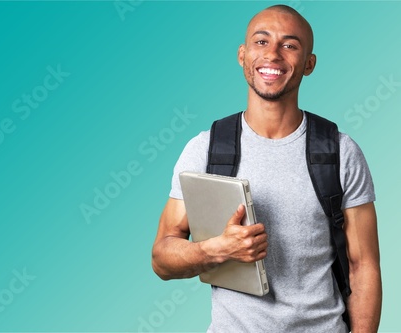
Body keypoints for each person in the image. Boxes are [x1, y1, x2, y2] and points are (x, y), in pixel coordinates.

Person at [151, 4, 382, 333]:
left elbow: (365, 266)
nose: (272, 54)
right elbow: (162, 258)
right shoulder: (205, 148)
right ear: (242, 55)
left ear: (309, 64)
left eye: (290, 45)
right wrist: (213, 250)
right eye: (261, 42)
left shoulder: (340, 151)